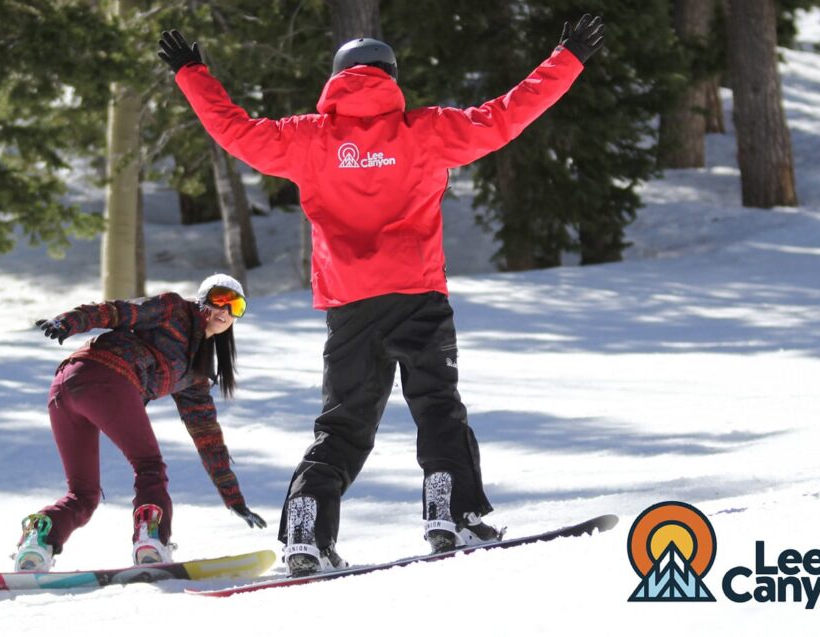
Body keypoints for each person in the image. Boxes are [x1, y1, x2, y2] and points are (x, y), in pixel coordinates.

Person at [158, 14, 606, 576]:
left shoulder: (308, 139)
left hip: (350, 306)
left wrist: (191, 73)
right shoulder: (427, 130)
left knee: (342, 424)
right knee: (438, 409)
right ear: (393, 77)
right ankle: (452, 514)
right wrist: (567, 59)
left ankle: (305, 531)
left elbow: (234, 130)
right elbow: (506, 116)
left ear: (336, 78)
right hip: (417, 295)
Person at [14, 273, 267, 572]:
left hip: (65, 389)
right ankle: (152, 540)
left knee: (83, 495)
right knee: (149, 467)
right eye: (219, 299)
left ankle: (38, 542)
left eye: (235, 306)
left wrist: (233, 499)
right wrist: (70, 321)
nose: (224, 311)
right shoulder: (173, 310)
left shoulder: (196, 376)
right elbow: (118, 311)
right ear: (202, 300)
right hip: (106, 377)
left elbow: (208, 437)